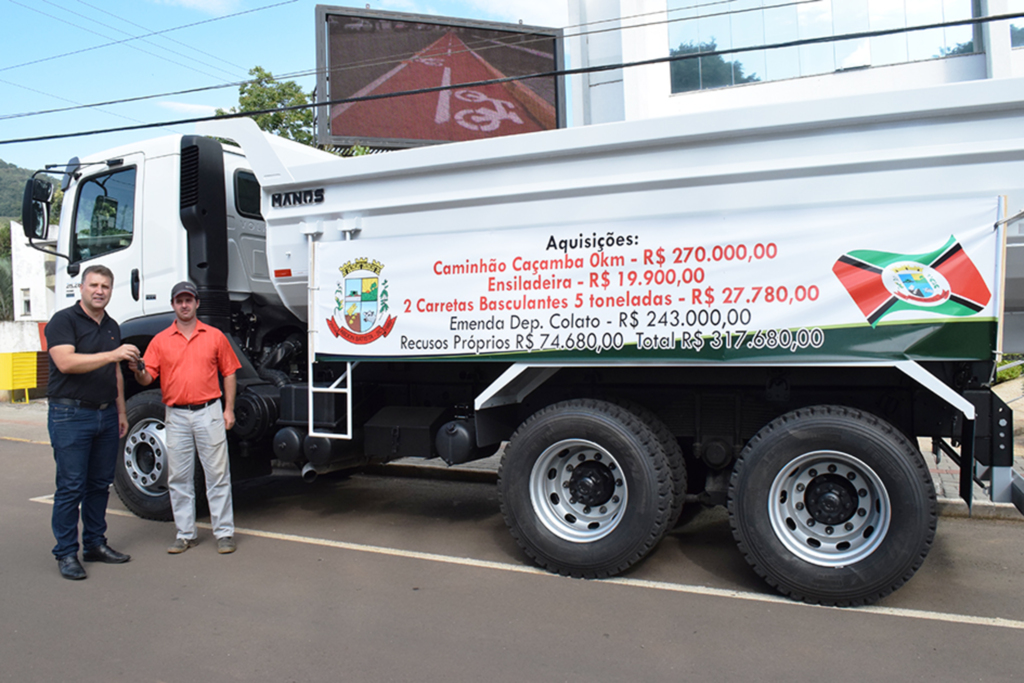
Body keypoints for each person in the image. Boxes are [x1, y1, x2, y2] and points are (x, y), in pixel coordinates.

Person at [131, 281, 241, 555]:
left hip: (209, 412)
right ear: (173, 305)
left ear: (197, 303)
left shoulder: (214, 336)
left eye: (188, 300)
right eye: (179, 300)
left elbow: (229, 372)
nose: (184, 305)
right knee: (179, 477)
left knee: (217, 475)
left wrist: (229, 409)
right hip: (176, 415)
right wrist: (137, 370)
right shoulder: (160, 341)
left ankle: (224, 533)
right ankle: (185, 534)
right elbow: (147, 377)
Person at [46, 264, 139, 580]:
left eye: (106, 287)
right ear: (82, 288)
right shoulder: (64, 321)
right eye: (94, 285)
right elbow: (65, 362)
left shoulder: (112, 325)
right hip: (71, 414)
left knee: (100, 485)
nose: (100, 291)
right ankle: (66, 553)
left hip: (106, 415)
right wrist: (113, 355)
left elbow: (115, 374)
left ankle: (95, 544)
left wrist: (122, 412)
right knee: (71, 486)